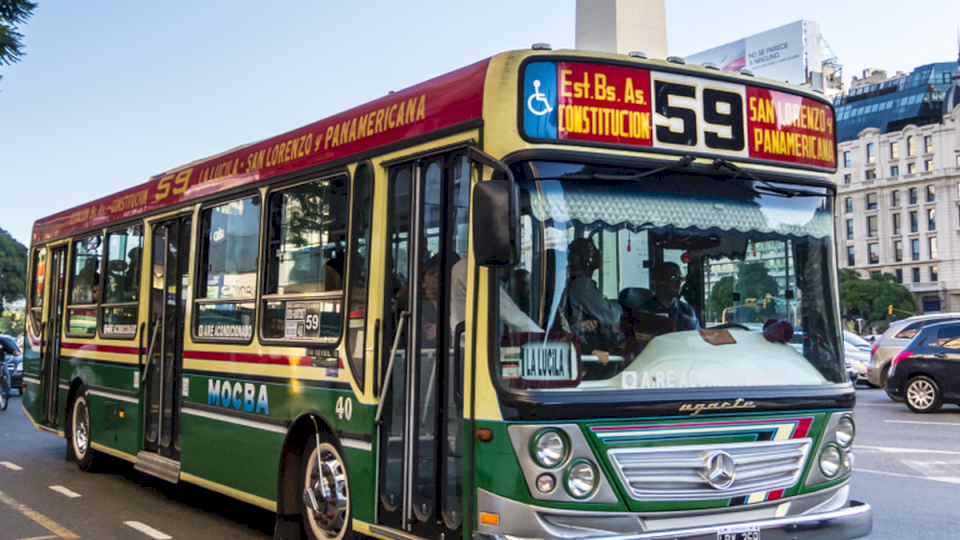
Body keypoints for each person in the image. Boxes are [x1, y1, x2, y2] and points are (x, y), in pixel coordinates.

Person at [567, 238, 622, 368]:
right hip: (587, 350)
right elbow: (612, 315)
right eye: (590, 251)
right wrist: (621, 308)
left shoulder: (580, 283)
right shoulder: (582, 285)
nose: (597, 253)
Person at [450, 257, 541, 336]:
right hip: (473, 345)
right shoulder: (471, 268)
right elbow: (509, 313)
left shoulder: (463, 266)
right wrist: (542, 336)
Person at [643, 262, 700, 331]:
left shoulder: (686, 310)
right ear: (658, 282)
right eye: (673, 278)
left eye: (680, 278)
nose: (679, 282)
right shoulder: (646, 311)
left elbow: (695, 335)